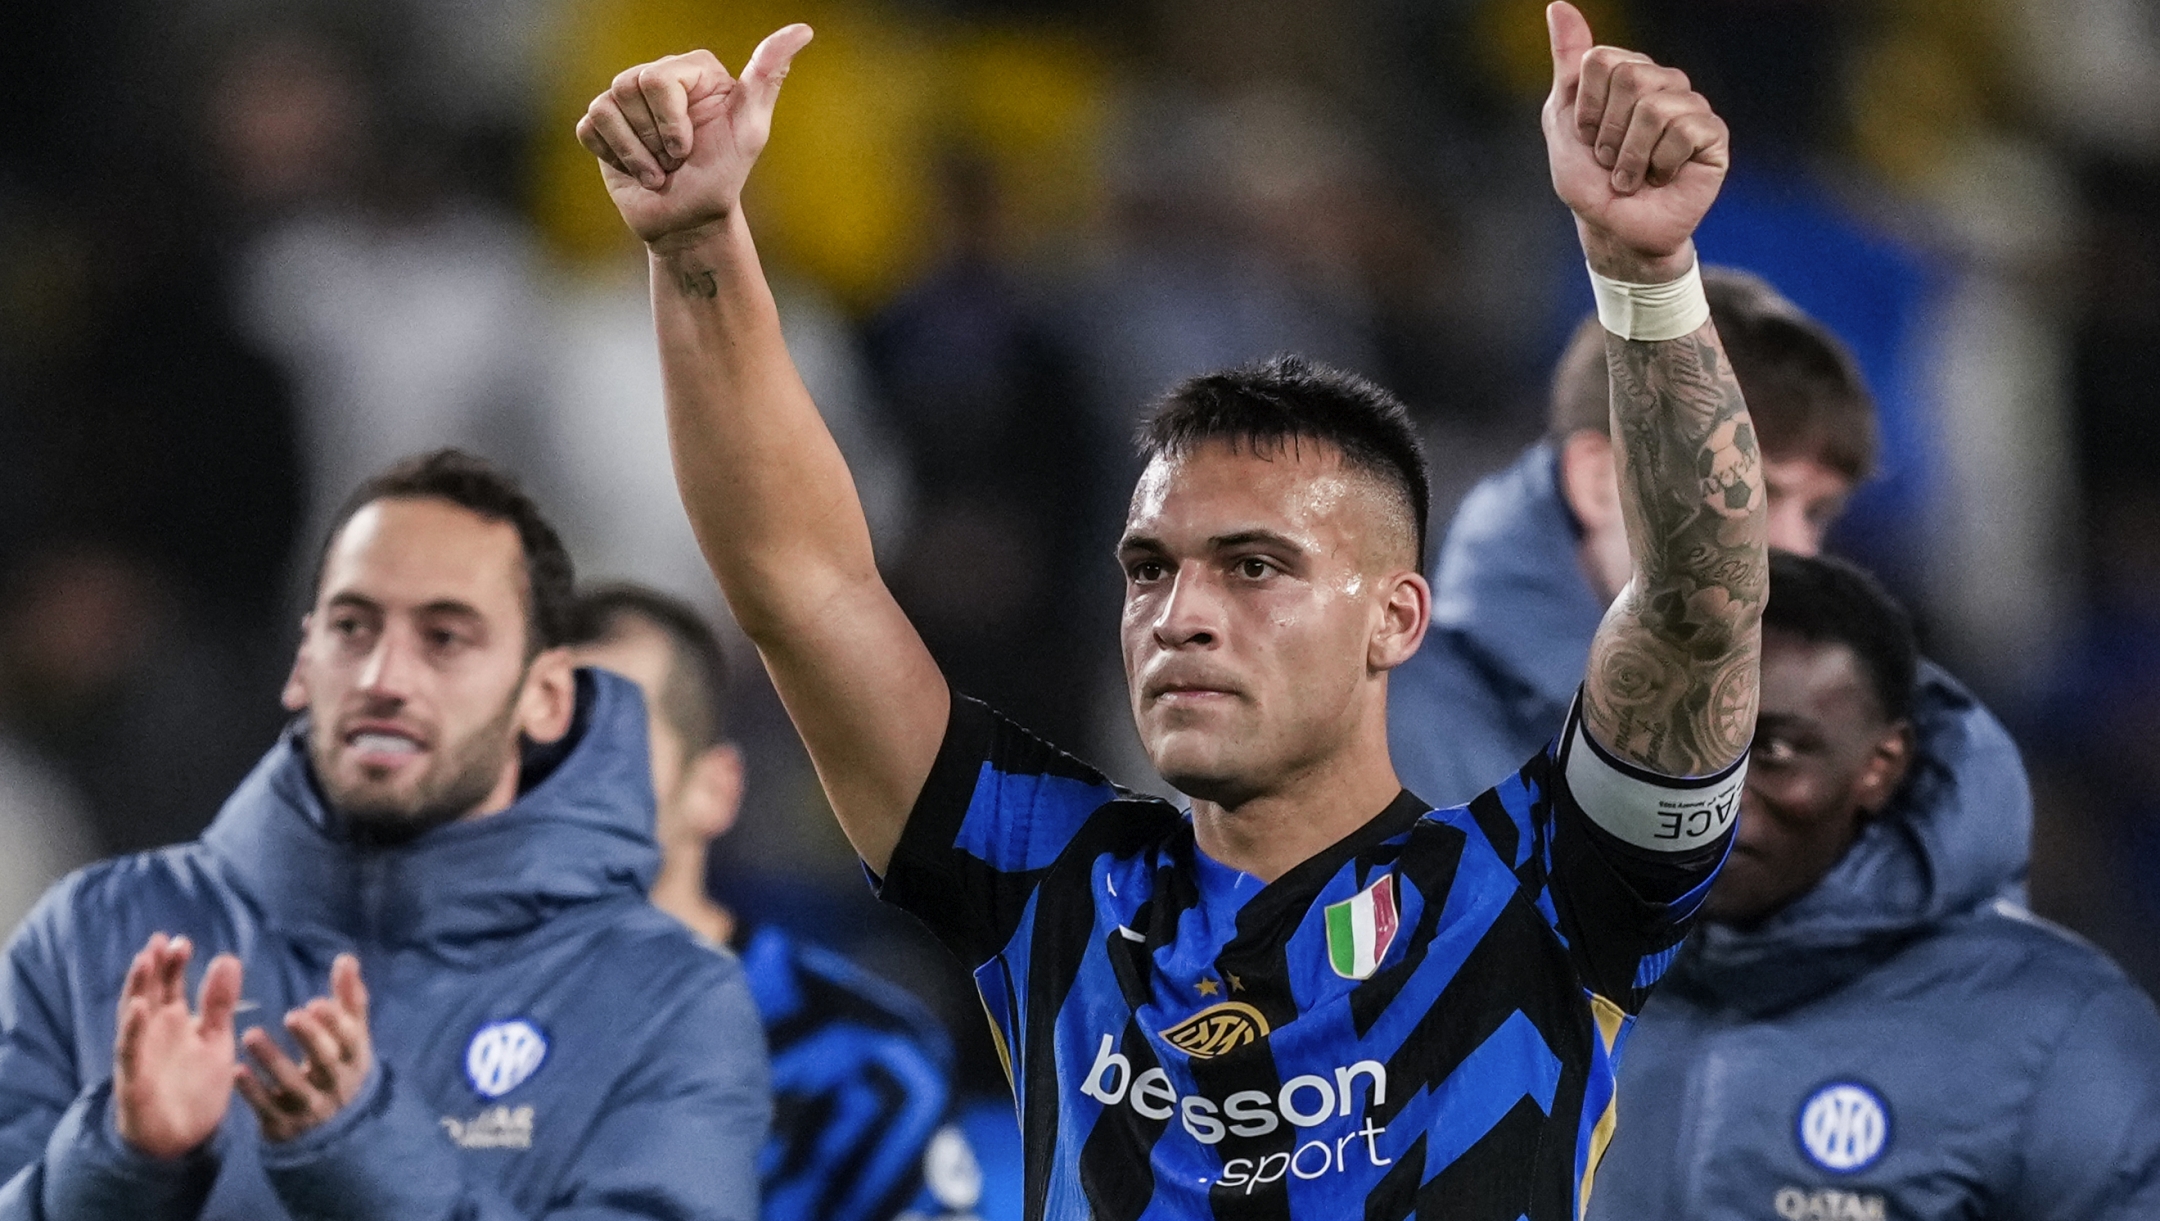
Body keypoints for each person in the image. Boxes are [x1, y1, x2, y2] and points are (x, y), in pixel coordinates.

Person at [578, 2, 1766, 1215]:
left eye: (1256, 567)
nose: (1181, 614)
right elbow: (805, 585)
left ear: (1397, 619)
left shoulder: (1543, 888)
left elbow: (1700, 610)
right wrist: (697, 248)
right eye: (1151, 568)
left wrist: (1646, 277)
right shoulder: (1046, 880)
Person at [0, 451, 769, 1220]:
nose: (383, 678)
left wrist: (364, 1162)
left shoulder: (669, 998)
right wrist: (120, 1165)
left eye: (444, 638)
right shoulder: (92, 935)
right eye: (352, 627)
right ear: (303, 662)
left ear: (545, 697)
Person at [1590, 552, 2160, 1220]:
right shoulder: (1537, 985)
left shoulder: (2061, 1033)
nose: (1717, 796)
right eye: (1689, 743)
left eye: (1773, 751)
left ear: (1880, 765)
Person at [566, 584, 989, 1221]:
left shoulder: (858, 1062)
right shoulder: (411, 1018)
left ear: (714, 789)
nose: (560, 780)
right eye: (535, 744)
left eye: (607, 744)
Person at [1389, 267, 1877, 810]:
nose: (1798, 549)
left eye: (1817, 512)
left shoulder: (1821, 733)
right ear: (1600, 482)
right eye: (1749, 492)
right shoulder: (1380, 732)